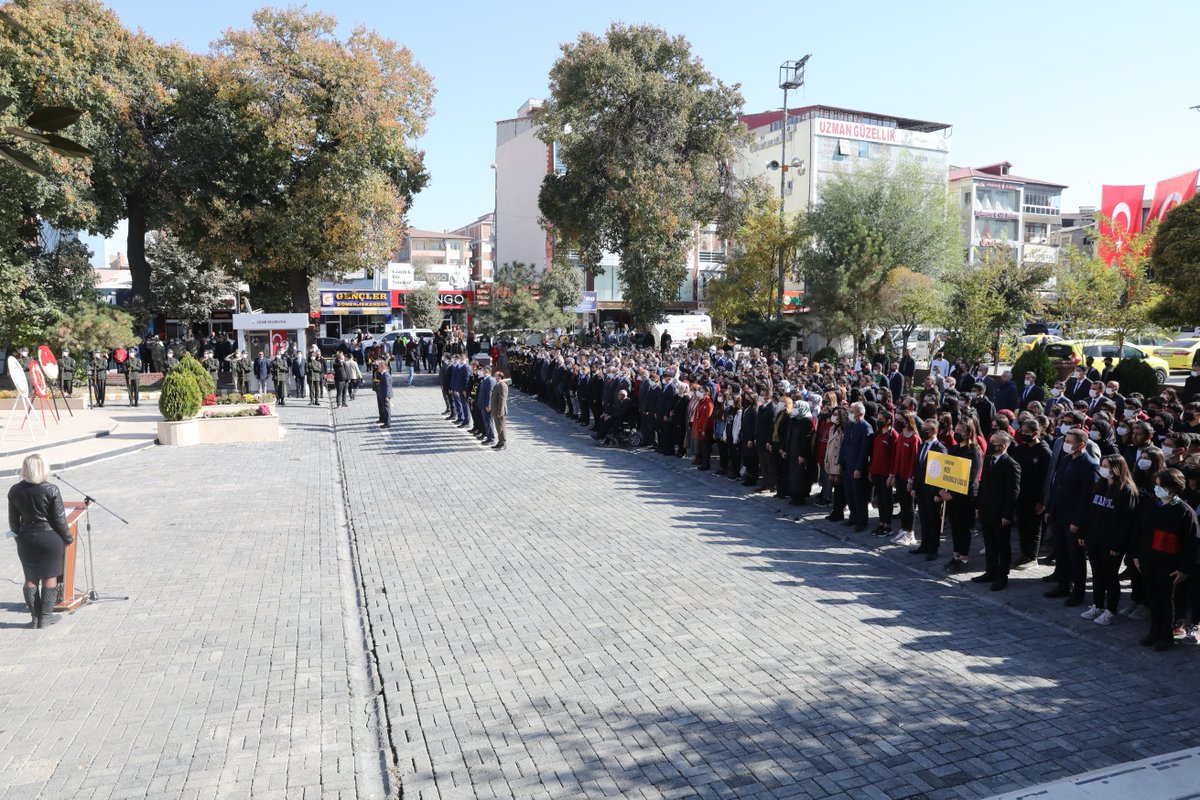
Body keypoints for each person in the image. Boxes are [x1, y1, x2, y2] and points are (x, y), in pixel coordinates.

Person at [1134, 469, 1198, 650]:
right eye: (1156, 485)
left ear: (1173, 487)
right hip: (1148, 560)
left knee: (1165, 599)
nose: (1157, 488)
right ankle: (1154, 630)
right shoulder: (1149, 505)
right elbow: (1139, 531)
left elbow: (1190, 544)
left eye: (1161, 485)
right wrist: (1136, 555)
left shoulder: (1184, 512)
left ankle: (1166, 635)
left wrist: (1184, 568)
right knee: (1152, 597)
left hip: (1169, 565)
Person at [8, 454, 74, 628]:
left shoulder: (14, 490)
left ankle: (35, 618)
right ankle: (45, 617)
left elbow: (13, 521)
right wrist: (68, 538)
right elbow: (59, 520)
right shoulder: (51, 489)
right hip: (49, 537)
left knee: (30, 577)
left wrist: (19, 539)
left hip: (26, 538)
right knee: (49, 575)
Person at [1079, 454, 1139, 626]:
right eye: (1102, 465)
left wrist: (1117, 544)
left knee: (1110, 576)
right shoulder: (1101, 485)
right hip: (1095, 538)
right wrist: (1084, 533)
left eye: (1106, 465)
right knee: (1097, 574)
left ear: (1117, 468)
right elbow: (1090, 512)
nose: (1102, 468)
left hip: (1111, 543)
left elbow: (1126, 522)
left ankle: (1111, 610)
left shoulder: (1126, 491)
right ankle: (1097, 606)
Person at [1043, 427, 1100, 605]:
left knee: (1075, 556)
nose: (1065, 444)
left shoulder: (1090, 466)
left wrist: (1078, 521)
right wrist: (1049, 509)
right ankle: (1063, 585)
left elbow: (1087, 498)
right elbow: (1056, 485)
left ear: (1081, 444)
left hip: (1073, 519)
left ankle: (1079, 592)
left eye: (1069, 442)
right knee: (1061, 552)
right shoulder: (1066, 459)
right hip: (1058, 514)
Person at [973, 431, 1021, 590]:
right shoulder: (988, 460)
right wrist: (979, 506)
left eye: (994, 442)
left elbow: (1012, 492)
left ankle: (1002, 576)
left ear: (1003, 446)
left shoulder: (1011, 465)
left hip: (1000, 514)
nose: (990, 444)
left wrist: (1007, 515)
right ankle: (990, 571)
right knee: (989, 543)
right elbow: (983, 485)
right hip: (987, 510)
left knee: (1002, 545)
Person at [1011, 419, 1051, 568]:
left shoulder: (1044, 451)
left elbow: (1047, 478)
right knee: (1022, 526)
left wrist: (1042, 501)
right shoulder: (1021, 449)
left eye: (1026, 432)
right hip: (1021, 495)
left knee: (1034, 527)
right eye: (1022, 431)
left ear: (1035, 433)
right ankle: (1024, 553)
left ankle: (1032, 557)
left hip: (1035, 498)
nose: (1023, 434)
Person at [910, 417, 948, 561]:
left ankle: (933, 548)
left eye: (925, 429)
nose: (922, 431)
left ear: (934, 431)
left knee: (933, 520)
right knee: (924, 518)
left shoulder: (940, 448)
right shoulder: (922, 445)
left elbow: (942, 472)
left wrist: (939, 492)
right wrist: (914, 486)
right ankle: (924, 544)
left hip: (933, 491)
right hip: (921, 489)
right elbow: (917, 467)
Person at [839, 401, 873, 532]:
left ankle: (862, 521)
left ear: (860, 413)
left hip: (857, 467)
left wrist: (859, 468)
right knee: (849, 493)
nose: (850, 414)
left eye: (852, 412)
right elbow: (845, 445)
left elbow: (865, 451)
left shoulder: (866, 428)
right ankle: (853, 517)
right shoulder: (849, 426)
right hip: (847, 465)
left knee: (859, 495)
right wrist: (841, 461)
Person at [490, 370, 509, 450]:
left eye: (495, 375)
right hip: (496, 409)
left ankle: (503, 443)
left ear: (499, 376)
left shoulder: (502, 385)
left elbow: (502, 399)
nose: (494, 376)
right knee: (498, 427)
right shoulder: (497, 384)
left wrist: (500, 411)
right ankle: (500, 441)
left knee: (501, 427)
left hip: (499, 410)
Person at [375, 359, 393, 428]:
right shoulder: (383, 374)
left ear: (383, 368)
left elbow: (387, 387)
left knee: (387, 409)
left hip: (385, 394)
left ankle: (388, 423)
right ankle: (385, 421)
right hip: (383, 393)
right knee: (385, 409)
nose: (378, 368)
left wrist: (386, 396)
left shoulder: (385, 375)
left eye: (379, 367)